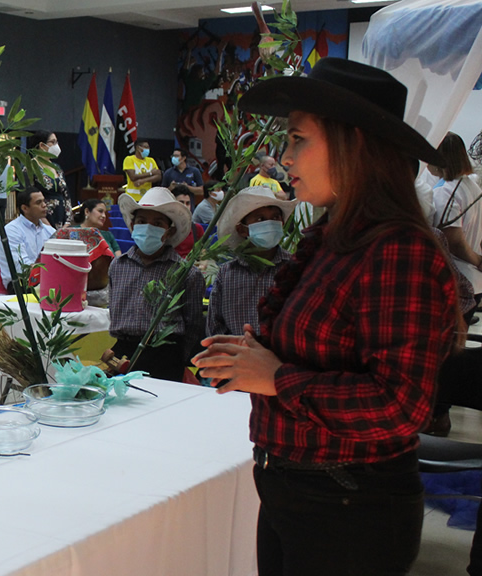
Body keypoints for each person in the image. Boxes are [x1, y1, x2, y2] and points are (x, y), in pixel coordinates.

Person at [194, 58, 461, 576]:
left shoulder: (397, 249)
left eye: (298, 140)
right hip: (298, 491)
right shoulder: (336, 237)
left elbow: (400, 406)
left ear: (353, 144)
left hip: (348, 505)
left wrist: (276, 378)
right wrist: (257, 359)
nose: (283, 156)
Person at [108, 187, 204, 382]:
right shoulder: (118, 266)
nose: (148, 227)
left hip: (166, 356)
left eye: (158, 223)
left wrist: (177, 358)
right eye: (142, 222)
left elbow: (193, 325)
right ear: (133, 226)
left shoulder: (186, 273)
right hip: (123, 351)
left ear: (170, 231)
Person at [206, 187, 297, 337]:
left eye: (275, 217)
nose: (270, 223)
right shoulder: (227, 273)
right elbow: (215, 327)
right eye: (260, 219)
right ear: (242, 230)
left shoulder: (294, 268)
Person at [430, 131, 482, 299]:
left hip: (456, 281)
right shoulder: (472, 187)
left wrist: (478, 261)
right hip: (474, 281)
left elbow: (453, 241)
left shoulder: (444, 192)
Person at [53, 199, 115, 306]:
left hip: (103, 294)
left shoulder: (108, 235)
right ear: (87, 212)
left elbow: (117, 261)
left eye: (105, 212)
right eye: (100, 211)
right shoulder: (68, 232)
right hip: (70, 290)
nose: (104, 215)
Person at [0, 189, 55, 292]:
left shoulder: (49, 231)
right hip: (20, 284)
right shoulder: (12, 230)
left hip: (45, 279)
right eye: (38, 203)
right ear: (25, 208)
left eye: (44, 201)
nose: (44, 205)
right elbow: (23, 268)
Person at [26, 130, 70, 228]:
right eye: (53, 142)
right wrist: (47, 226)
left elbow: (66, 195)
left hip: (61, 219)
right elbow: (29, 198)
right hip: (42, 220)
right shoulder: (30, 167)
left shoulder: (57, 167)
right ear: (42, 145)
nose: (56, 145)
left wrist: (67, 222)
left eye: (57, 142)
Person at [170, 187, 204, 258]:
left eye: (188, 203)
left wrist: (203, 263)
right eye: (181, 203)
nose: (185, 206)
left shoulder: (197, 228)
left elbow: (202, 251)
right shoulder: (165, 228)